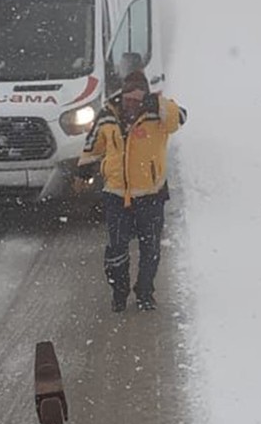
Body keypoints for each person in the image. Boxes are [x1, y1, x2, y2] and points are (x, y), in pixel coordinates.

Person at [76, 69, 187, 312]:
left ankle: (145, 293)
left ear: (145, 98)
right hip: (116, 195)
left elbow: (179, 118)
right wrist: (85, 168)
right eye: (128, 99)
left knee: (150, 249)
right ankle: (119, 293)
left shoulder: (158, 116)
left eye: (137, 100)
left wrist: (157, 102)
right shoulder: (108, 115)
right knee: (116, 249)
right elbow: (93, 143)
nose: (131, 105)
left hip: (151, 195)